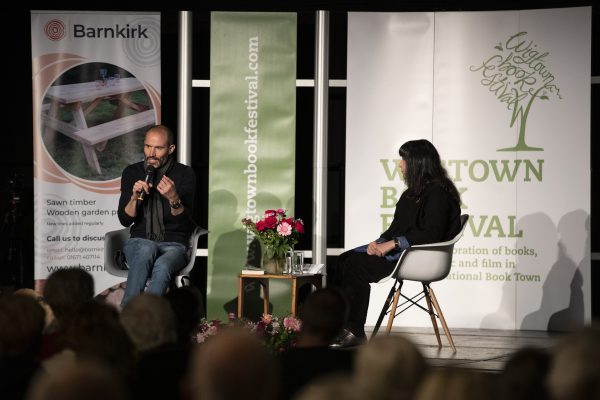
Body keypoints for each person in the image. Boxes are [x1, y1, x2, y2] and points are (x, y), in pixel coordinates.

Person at [331, 139, 461, 348]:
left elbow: (432, 233)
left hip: (417, 257)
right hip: (401, 252)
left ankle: (355, 330)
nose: (400, 165)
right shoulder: (410, 194)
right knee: (343, 259)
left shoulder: (438, 194)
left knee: (356, 266)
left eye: (404, 160)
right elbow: (395, 228)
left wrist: (392, 244)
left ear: (418, 163)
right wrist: (378, 243)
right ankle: (339, 326)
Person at [118, 125, 196, 307]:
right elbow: (125, 220)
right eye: (147, 146)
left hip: (174, 245)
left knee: (163, 267)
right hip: (139, 242)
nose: (151, 153)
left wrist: (173, 198)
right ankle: (132, 315)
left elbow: (186, 224)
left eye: (158, 148)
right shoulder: (132, 172)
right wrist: (134, 197)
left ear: (171, 149)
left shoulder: (185, 174)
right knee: (147, 247)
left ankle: (144, 320)